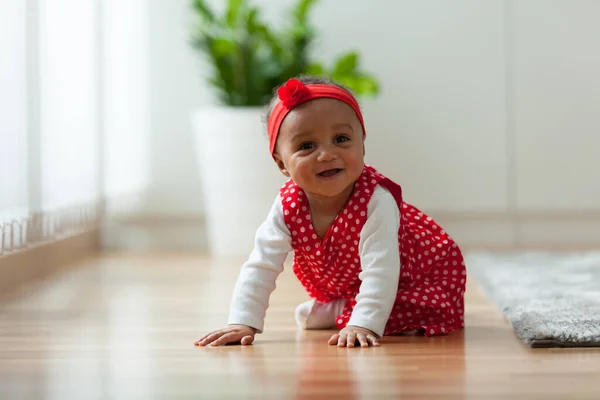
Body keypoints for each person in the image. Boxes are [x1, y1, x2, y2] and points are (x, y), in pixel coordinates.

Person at [194, 75, 467, 348]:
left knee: (410, 311)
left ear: (362, 144)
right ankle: (344, 307)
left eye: (340, 139)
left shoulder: (376, 201)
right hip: (354, 282)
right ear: (282, 164)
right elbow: (261, 265)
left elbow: (381, 271)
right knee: (364, 302)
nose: (326, 154)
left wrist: (362, 325)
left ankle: (345, 311)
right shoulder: (287, 206)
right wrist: (242, 321)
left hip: (409, 280)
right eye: (306, 146)